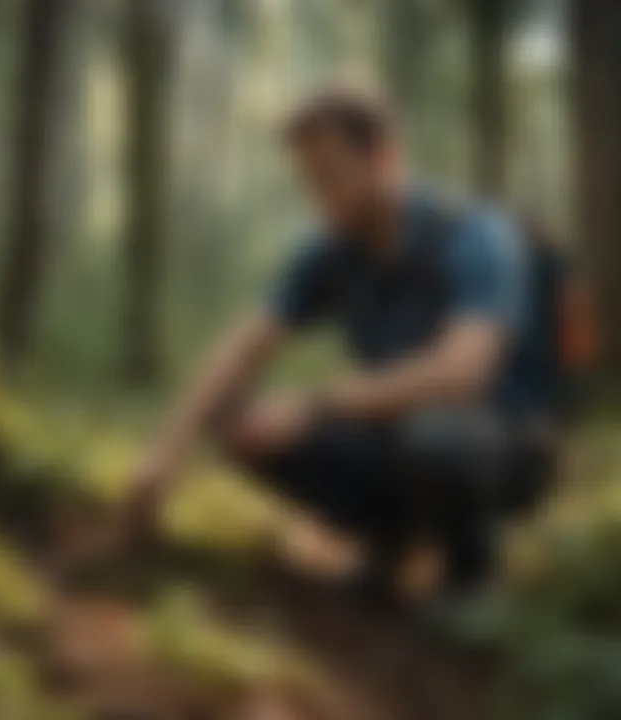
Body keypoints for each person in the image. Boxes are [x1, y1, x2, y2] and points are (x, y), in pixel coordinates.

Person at [128, 87, 555, 597]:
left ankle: (471, 576)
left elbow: (461, 374)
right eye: (308, 179)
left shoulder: (475, 234)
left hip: (501, 441)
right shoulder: (331, 251)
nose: (318, 194)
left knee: (439, 438)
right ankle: (386, 543)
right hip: (393, 436)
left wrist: (314, 404)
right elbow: (243, 345)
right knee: (235, 417)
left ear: (384, 158)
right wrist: (164, 453)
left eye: (331, 174)